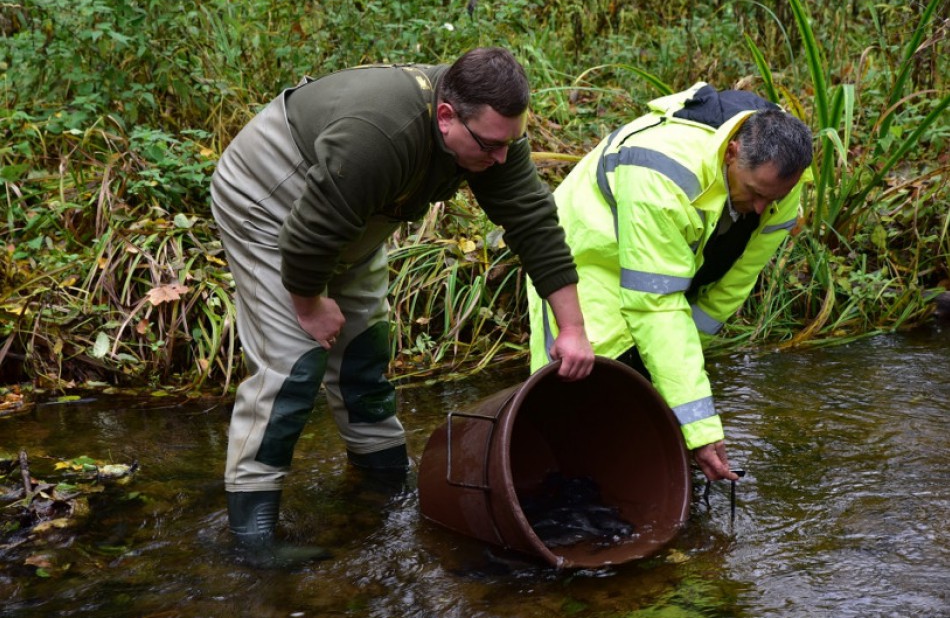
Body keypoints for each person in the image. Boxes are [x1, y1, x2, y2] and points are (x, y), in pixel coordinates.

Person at [210, 47, 594, 567]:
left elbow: (534, 224)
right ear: (445, 117)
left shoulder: (490, 133)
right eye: (490, 146)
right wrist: (310, 303)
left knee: (365, 346)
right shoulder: (377, 138)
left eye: (510, 143)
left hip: (351, 209)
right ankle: (251, 535)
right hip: (270, 193)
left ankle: (381, 477)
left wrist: (571, 327)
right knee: (294, 362)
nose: (501, 158)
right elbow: (305, 239)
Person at [528, 82, 813, 483]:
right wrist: (701, 429)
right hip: (590, 257)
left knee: (654, 384)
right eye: (755, 193)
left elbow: (732, 283)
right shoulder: (663, 171)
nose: (765, 209)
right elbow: (656, 307)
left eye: (775, 198)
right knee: (574, 387)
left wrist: (677, 383)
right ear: (731, 152)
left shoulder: (779, 178)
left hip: (675, 258)